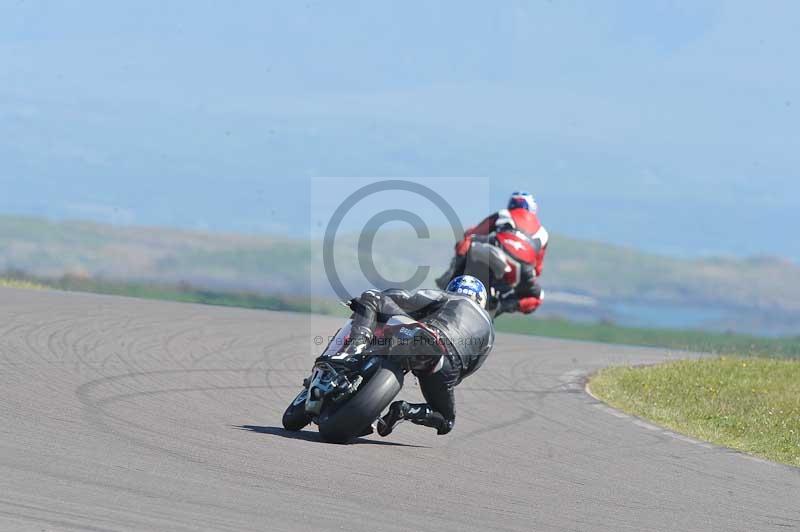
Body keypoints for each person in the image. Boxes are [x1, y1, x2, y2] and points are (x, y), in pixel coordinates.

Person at [339, 275, 495, 437]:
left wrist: (376, 300)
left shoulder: (449, 297)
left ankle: (355, 348)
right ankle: (405, 411)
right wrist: (446, 378)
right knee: (446, 419)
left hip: (428, 337)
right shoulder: (489, 329)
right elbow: (472, 365)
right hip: (448, 366)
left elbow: (406, 298)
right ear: (481, 299)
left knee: (372, 296)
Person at [435, 191, 548, 315]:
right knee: (537, 297)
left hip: (498, 245)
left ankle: (451, 280)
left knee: (466, 241)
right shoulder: (543, 233)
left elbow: (474, 232)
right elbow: (538, 269)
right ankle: (501, 307)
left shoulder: (504, 214)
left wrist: (463, 248)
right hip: (522, 269)